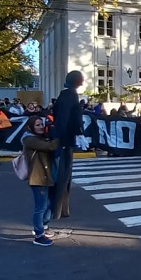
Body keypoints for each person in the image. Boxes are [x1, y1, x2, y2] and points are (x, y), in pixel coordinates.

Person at [51, 71, 84, 220]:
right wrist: (78, 132)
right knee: (63, 176)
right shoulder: (71, 95)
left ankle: (63, 209)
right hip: (65, 141)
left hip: (63, 139)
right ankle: (58, 210)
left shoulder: (64, 95)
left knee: (64, 177)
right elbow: (68, 118)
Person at [22, 116, 60, 247]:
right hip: (38, 177)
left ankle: (43, 226)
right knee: (41, 206)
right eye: (37, 125)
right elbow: (50, 147)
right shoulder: (29, 139)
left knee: (51, 203)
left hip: (47, 176)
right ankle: (38, 235)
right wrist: (60, 136)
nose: (40, 127)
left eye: (41, 124)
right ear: (31, 127)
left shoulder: (40, 137)